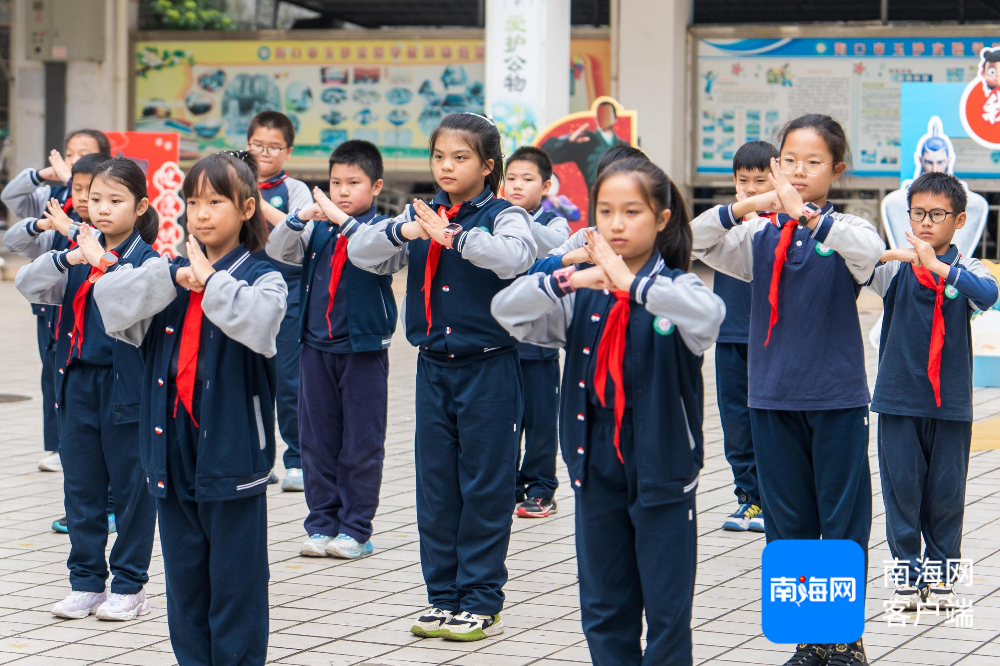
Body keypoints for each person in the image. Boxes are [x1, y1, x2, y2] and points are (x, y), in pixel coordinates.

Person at [492, 158, 725, 665]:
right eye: (606, 211)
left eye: (632, 211)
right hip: (595, 459)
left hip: (662, 466)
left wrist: (631, 284)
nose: (616, 224)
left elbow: (709, 316)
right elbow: (506, 310)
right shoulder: (583, 295)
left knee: (666, 613)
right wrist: (568, 279)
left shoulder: (677, 290)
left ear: (662, 219)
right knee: (603, 606)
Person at [692, 114, 884, 666]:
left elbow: (870, 258)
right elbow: (699, 239)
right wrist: (748, 205)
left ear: (837, 170)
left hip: (837, 400)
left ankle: (844, 639)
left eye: (814, 162)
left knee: (841, 521)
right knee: (788, 525)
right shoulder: (758, 235)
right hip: (771, 397)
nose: (799, 171)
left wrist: (811, 221)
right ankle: (808, 639)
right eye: (790, 161)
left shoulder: (848, 230)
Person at [346, 112, 536, 641]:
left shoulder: (503, 214)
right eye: (439, 156)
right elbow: (362, 251)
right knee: (436, 487)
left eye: (460, 157)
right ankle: (443, 596)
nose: (447, 166)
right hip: (433, 368)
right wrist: (407, 228)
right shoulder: (421, 214)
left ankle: (480, 598)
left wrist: (452, 237)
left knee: (486, 486)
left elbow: (516, 259)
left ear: (488, 165)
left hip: (490, 368)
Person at [93, 151, 286, 665]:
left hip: (232, 451)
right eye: (192, 201)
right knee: (185, 583)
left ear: (247, 208)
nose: (201, 214)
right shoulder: (167, 275)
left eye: (216, 201)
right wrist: (172, 277)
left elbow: (260, 323)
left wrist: (213, 282)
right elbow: (110, 302)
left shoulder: (264, 276)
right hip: (169, 452)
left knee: (236, 583)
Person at [14, 157, 159, 622]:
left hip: (128, 389)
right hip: (76, 383)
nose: (101, 209)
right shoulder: (77, 253)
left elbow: (132, 306)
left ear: (141, 207)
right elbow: (25, 283)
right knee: (81, 489)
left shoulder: (151, 261)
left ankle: (130, 585)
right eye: (95, 199)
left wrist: (96, 256)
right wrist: (68, 255)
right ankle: (85, 583)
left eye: (115, 201)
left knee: (132, 490)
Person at [867, 172, 998, 611]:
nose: (925, 222)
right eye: (918, 213)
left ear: (959, 220)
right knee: (901, 491)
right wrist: (896, 253)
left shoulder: (968, 270)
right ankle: (906, 575)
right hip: (898, 400)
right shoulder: (895, 270)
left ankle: (942, 576)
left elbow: (988, 295)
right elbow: (855, 262)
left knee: (946, 494)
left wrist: (936, 265)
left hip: (951, 405)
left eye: (937, 214)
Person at [264, 140, 396, 559]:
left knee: (360, 443)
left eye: (354, 183)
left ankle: (356, 529)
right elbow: (277, 249)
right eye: (336, 182)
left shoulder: (381, 230)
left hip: (363, 351)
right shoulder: (317, 229)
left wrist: (344, 221)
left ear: (376, 187)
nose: (342, 191)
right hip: (315, 347)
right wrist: (301, 215)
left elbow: (379, 255)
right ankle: (321, 524)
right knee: (317, 440)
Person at [5, 153, 120, 534]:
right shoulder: (62, 227)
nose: (88, 198)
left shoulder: (128, 242)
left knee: (111, 441)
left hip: (111, 359)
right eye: (80, 188)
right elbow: (17, 250)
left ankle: (110, 507)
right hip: (65, 342)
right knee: (75, 435)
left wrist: (77, 237)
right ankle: (81, 511)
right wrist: (57, 232)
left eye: (100, 193)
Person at [247, 111, 313, 491]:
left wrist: (256, 201)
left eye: (274, 147)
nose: (265, 153)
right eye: (258, 145)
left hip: (288, 296)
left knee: (289, 381)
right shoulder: (231, 182)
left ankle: (296, 460)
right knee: (246, 380)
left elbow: (303, 240)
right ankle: (256, 460)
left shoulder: (296, 189)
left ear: (288, 151)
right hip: (242, 293)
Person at [716, 140, 779, 533]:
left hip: (771, 338)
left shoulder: (786, 224)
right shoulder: (724, 222)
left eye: (762, 180)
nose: (754, 188)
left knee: (768, 421)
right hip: (729, 336)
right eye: (745, 180)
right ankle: (748, 498)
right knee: (736, 423)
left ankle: (774, 500)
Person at [504, 146, 570, 517]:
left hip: (541, 344)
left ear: (545, 186)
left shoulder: (556, 224)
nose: (517, 186)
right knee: (506, 420)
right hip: (501, 344)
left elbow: (548, 245)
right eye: (510, 179)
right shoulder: (493, 221)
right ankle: (509, 485)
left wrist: (507, 217)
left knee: (542, 422)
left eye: (527, 180)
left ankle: (541, 487)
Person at [541, 101, 628, 193]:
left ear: (614, 118)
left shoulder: (625, 145)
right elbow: (546, 153)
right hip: (596, 200)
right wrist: (568, 141)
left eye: (607, 115)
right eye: (600, 115)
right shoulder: (585, 141)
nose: (603, 118)